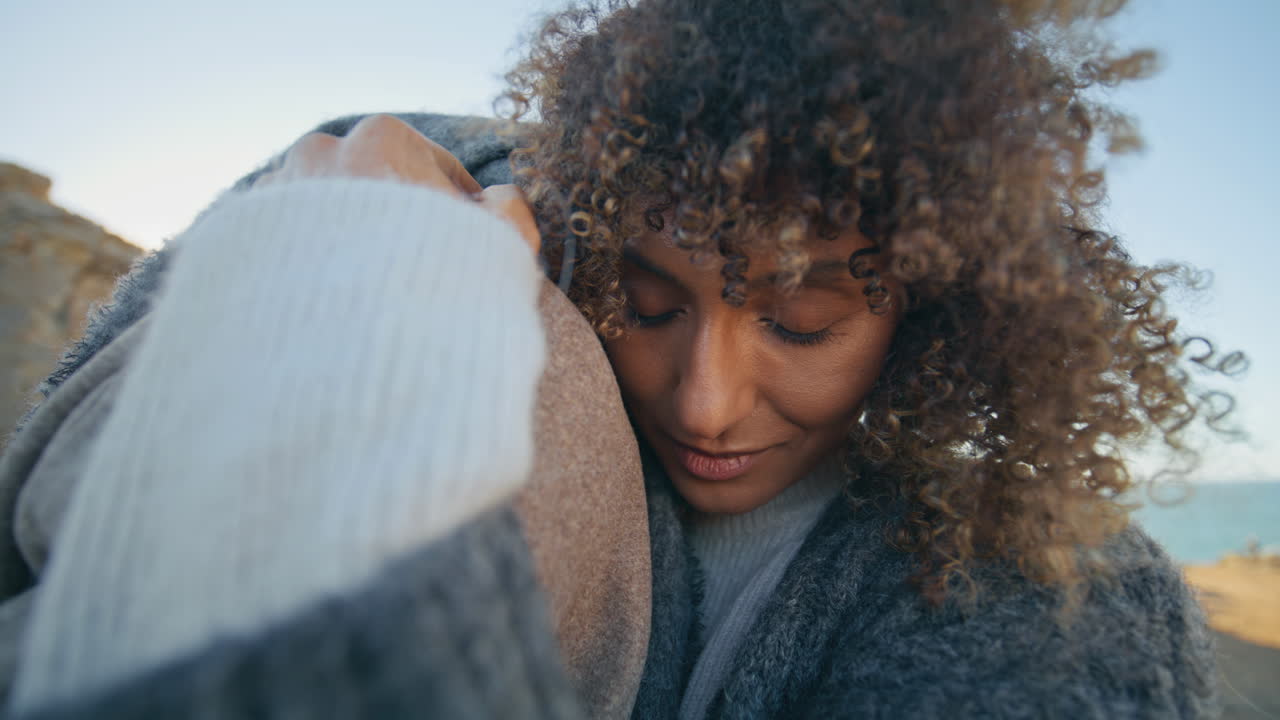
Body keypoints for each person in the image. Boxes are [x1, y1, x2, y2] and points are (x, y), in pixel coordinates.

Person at [0, 0, 1229, 717]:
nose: (705, 400)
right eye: (645, 302)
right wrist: (346, 289)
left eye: (801, 327)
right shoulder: (514, 304)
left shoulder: (1048, 611)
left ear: (937, 318)